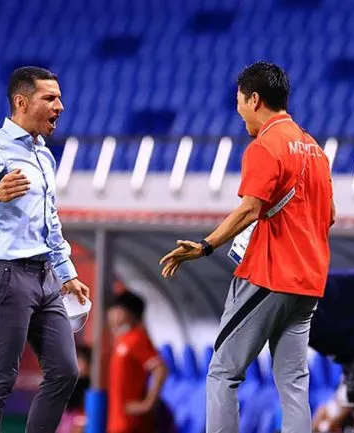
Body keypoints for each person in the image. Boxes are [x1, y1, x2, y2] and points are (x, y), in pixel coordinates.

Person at [160, 61, 336, 433]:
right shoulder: (314, 149)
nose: (239, 111)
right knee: (293, 381)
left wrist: (206, 246)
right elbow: (329, 214)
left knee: (223, 372)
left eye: (239, 101)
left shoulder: (265, 146)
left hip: (269, 276)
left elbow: (251, 208)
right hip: (309, 281)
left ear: (254, 99)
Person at [0, 66, 90, 433]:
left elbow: (51, 221)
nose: (60, 106)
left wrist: (68, 274)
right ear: (21, 102)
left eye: (59, 97)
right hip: (6, 275)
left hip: (46, 278)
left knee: (65, 371)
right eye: (50, 98)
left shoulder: (44, 155)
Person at [105, 291, 168, 433]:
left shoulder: (137, 338)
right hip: (117, 421)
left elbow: (160, 369)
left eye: (119, 310)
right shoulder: (122, 340)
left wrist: (148, 403)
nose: (113, 314)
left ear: (132, 314)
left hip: (132, 423)